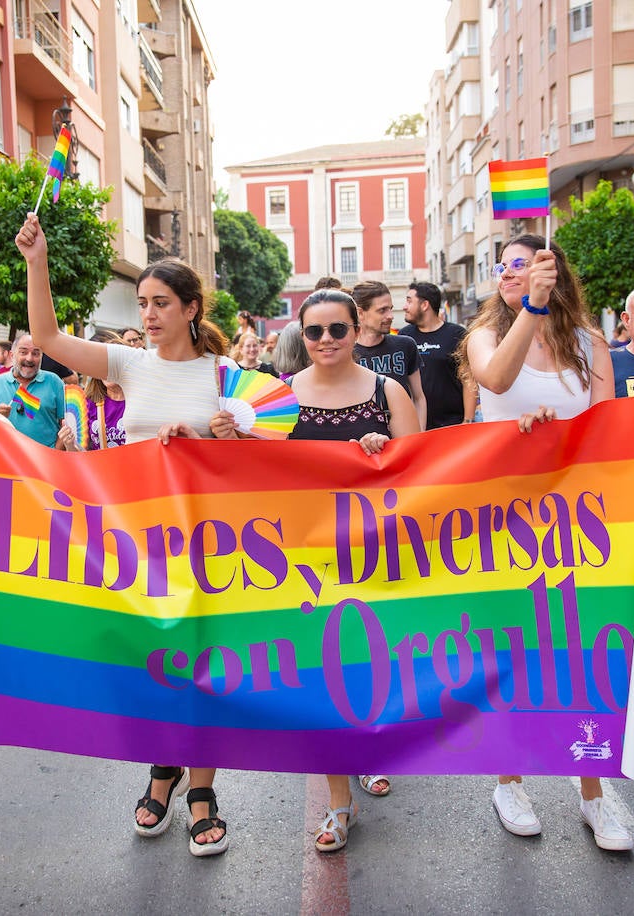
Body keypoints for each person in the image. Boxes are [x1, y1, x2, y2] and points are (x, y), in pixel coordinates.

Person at [15, 212, 236, 856]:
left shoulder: (225, 376)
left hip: (213, 545)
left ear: (192, 309)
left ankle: (200, 791)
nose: (148, 314)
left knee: (198, 669)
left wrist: (225, 435)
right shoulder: (127, 363)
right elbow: (47, 335)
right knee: (152, 667)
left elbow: (266, 447)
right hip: (138, 543)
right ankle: (161, 771)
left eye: (161, 303)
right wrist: (38, 262)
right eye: (142, 303)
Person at [459, 234, 631, 851]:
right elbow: (497, 379)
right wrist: (529, 311)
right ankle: (509, 780)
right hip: (503, 522)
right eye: (502, 267)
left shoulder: (589, 344)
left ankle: (593, 792)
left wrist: (568, 437)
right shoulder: (484, 335)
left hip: (576, 523)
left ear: (551, 271)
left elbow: (607, 425)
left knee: (583, 657)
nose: (509, 273)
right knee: (511, 652)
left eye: (523, 265)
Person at [247, 287, 418, 852]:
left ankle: (368, 750)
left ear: (355, 330)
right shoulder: (275, 397)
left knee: (372, 666)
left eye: (337, 330)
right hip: (304, 560)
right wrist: (222, 435)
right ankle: (339, 802)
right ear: (301, 335)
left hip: (378, 557)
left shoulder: (388, 390)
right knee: (323, 675)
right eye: (314, 332)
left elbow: (423, 472)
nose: (325, 341)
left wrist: (386, 450)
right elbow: (252, 478)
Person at [350, 281, 427, 428]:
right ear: (360, 313)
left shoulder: (405, 345)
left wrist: (419, 436)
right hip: (362, 442)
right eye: (382, 310)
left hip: (401, 439)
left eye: (390, 309)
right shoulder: (346, 353)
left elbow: (418, 398)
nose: (391, 316)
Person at [398, 281, 474, 429]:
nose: (404, 307)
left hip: (452, 426)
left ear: (424, 305)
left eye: (409, 301)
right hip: (415, 426)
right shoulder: (404, 336)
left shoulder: (457, 334)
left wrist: (468, 421)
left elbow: (468, 380)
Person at [0, 333, 68, 449]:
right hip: (8, 461)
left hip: (47, 461)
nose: (29, 358)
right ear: (12, 355)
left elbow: (66, 423)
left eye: (36, 353)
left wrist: (56, 451)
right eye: (23, 352)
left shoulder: (54, 382)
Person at [82, 331, 126, 450]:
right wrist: (70, 443)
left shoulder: (142, 399)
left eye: (113, 365)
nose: (108, 371)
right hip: (102, 468)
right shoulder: (89, 403)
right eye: (102, 366)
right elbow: (81, 451)